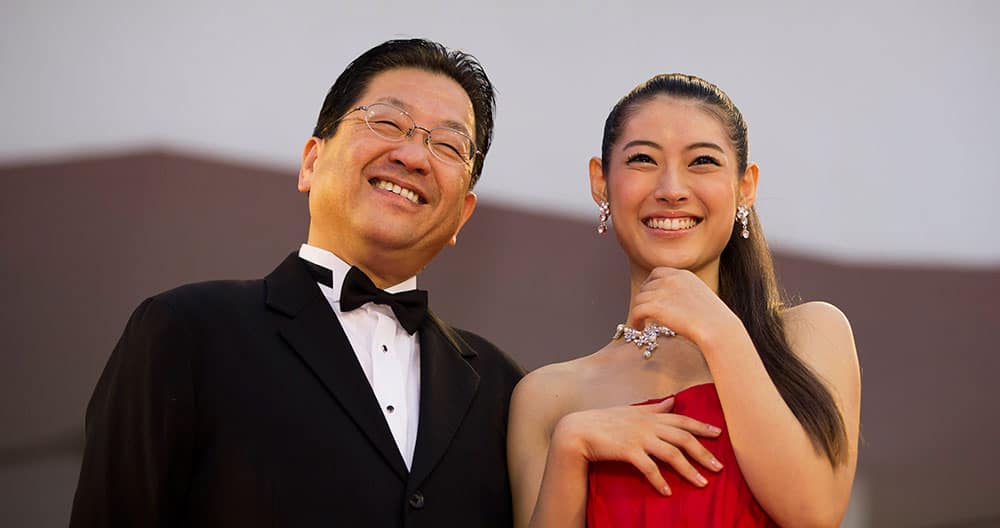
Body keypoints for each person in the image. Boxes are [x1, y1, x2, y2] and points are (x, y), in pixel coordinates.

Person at [70, 38, 524, 527]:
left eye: (448, 145)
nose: (414, 156)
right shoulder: (186, 332)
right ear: (311, 161)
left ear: (463, 215)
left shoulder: (506, 391)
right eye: (389, 123)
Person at [507, 73, 861, 527]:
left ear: (745, 187)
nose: (672, 189)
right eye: (642, 159)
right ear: (601, 183)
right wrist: (572, 444)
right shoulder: (549, 398)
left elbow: (814, 514)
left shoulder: (812, 334)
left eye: (702, 162)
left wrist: (719, 332)